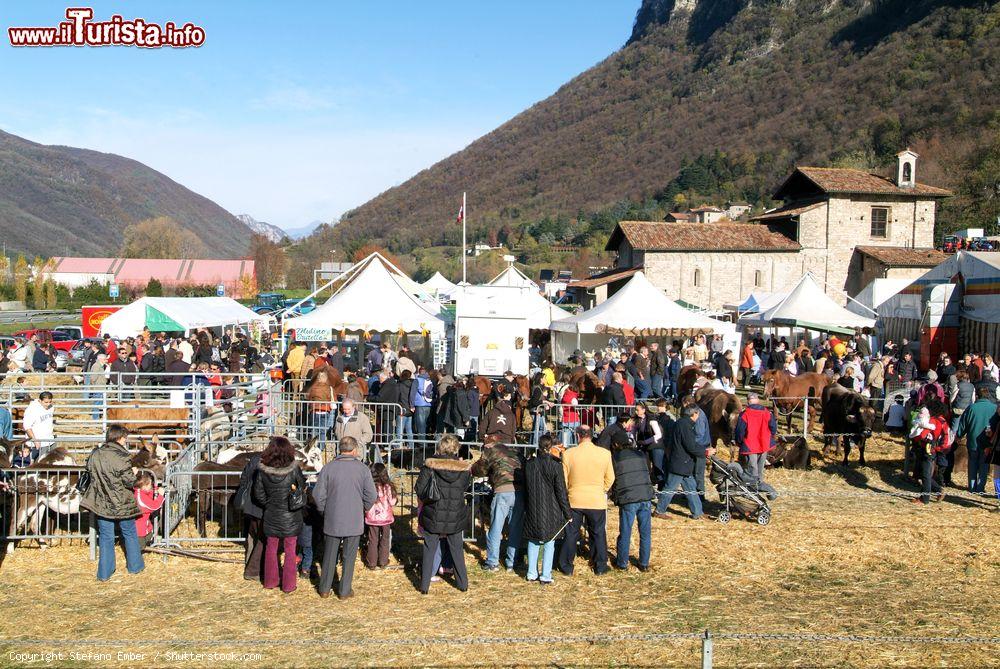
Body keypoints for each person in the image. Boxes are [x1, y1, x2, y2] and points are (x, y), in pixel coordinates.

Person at [313, 436, 378, 599]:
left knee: (329, 555)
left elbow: (318, 495)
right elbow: (371, 495)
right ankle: (344, 590)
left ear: (340, 449)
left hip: (332, 517)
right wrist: (363, 508)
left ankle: (324, 589)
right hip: (354, 518)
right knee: (349, 557)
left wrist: (324, 511)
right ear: (355, 450)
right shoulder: (363, 469)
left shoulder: (328, 468)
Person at [81, 425, 144, 581]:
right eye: (125, 439)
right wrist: (135, 473)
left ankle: (105, 572)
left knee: (105, 536)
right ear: (119, 438)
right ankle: (135, 566)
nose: (125, 442)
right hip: (122, 500)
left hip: (102, 500)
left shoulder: (95, 454)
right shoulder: (122, 457)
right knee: (129, 532)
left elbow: (89, 470)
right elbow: (129, 481)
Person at [416, 434, 472, 594]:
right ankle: (463, 584)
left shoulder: (430, 466)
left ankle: (424, 585)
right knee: (457, 549)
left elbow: (420, 489)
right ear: (455, 448)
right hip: (455, 514)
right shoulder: (463, 469)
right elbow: (464, 488)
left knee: (429, 549)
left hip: (433, 513)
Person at [252, 436, 307, 594]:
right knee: (290, 549)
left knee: (271, 548)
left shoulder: (262, 471)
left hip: (271, 513)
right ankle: (289, 585)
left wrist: (270, 503)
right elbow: (301, 486)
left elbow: (259, 495)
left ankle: (270, 581)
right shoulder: (294, 468)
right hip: (291, 514)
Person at [558, 425, 615, 576]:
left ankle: (566, 566)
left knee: (571, 533)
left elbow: (563, 479)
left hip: (574, 498)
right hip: (596, 498)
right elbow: (611, 477)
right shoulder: (604, 453)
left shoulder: (569, 454)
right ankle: (600, 565)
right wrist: (602, 489)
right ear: (591, 435)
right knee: (598, 533)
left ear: (577, 436)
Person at [522, 434, 572, 584]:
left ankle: (531, 573)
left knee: (534, 540)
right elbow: (561, 492)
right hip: (552, 509)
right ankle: (545, 575)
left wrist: (527, 505)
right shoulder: (556, 466)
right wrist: (567, 512)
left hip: (533, 506)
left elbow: (526, 488)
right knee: (550, 541)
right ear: (550, 448)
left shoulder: (529, 465)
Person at [472, 437, 525, 572]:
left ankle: (492, 562)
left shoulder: (490, 450)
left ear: (488, 444)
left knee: (496, 527)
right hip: (519, 491)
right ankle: (512, 562)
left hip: (502, 491)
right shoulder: (513, 451)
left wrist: (471, 469)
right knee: (515, 528)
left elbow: (480, 469)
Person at [654, 406, 712, 520]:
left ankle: (698, 512)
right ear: (694, 414)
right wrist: (705, 452)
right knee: (670, 487)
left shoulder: (681, 423)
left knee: (691, 489)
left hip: (682, 463)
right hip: (680, 463)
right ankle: (659, 510)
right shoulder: (685, 426)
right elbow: (690, 445)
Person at [610, 430, 655, 571]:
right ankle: (644, 563)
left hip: (628, 497)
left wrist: (614, 495)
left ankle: (622, 563)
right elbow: (648, 472)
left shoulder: (615, 458)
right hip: (645, 495)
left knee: (625, 531)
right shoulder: (641, 454)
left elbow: (613, 478)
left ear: (616, 443)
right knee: (645, 532)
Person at [955, 387, 999, 494]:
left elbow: (963, 424)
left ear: (977, 396)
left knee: (972, 463)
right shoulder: (994, 408)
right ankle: (980, 488)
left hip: (973, 441)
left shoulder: (971, 408)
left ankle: (972, 487)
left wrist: (959, 435)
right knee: (984, 465)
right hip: (987, 442)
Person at [909, 405, 948, 505]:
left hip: (927, 450)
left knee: (925, 475)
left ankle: (924, 499)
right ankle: (939, 490)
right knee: (924, 474)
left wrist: (916, 435)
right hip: (931, 450)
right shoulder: (940, 420)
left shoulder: (932, 421)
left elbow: (922, 435)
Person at [235, 450, 264, 581]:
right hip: (260, 506)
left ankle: (250, 565)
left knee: (252, 536)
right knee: (261, 538)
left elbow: (244, 477)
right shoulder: (272, 461)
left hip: (250, 504)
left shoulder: (256, 458)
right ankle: (254, 570)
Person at [734, 393, 776, 484]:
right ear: (758, 401)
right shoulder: (767, 412)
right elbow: (773, 428)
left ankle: (753, 487)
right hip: (764, 443)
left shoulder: (744, 414)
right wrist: (770, 437)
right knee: (760, 468)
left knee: (752, 470)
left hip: (750, 445)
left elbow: (740, 431)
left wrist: (739, 442)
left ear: (748, 402)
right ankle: (759, 485)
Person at [363, 462, 397, 569]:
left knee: (373, 539)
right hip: (385, 517)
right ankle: (383, 561)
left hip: (373, 517)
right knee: (385, 539)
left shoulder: (369, 486)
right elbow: (392, 502)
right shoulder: (387, 486)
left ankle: (372, 562)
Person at [133, 471, 164, 549]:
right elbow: (153, 506)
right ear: (144, 486)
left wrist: (156, 489)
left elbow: (149, 494)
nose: (151, 486)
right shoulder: (139, 496)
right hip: (138, 527)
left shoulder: (142, 491)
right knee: (140, 547)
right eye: (150, 485)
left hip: (145, 523)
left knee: (147, 537)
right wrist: (160, 496)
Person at [22, 391, 55, 457]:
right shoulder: (32, 409)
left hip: (49, 441)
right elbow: (27, 426)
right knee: (36, 465)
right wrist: (35, 441)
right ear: (40, 401)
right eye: (46, 402)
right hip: (36, 443)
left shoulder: (51, 407)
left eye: (50, 402)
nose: (48, 404)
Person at [411, 366, 435, 443]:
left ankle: (422, 444)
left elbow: (412, 393)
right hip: (428, 404)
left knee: (420, 425)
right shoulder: (430, 380)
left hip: (419, 404)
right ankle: (427, 441)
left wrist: (411, 405)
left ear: (419, 371)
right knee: (426, 424)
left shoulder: (417, 380)